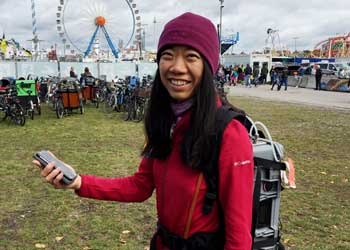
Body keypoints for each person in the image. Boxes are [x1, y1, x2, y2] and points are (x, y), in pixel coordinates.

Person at [32, 12, 254, 250]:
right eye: (168, 56)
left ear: (209, 67)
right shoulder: (165, 122)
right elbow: (139, 187)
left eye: (191, 57)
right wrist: (78, 182)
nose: (177, 67)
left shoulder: (230, 134)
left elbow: (239, 238)